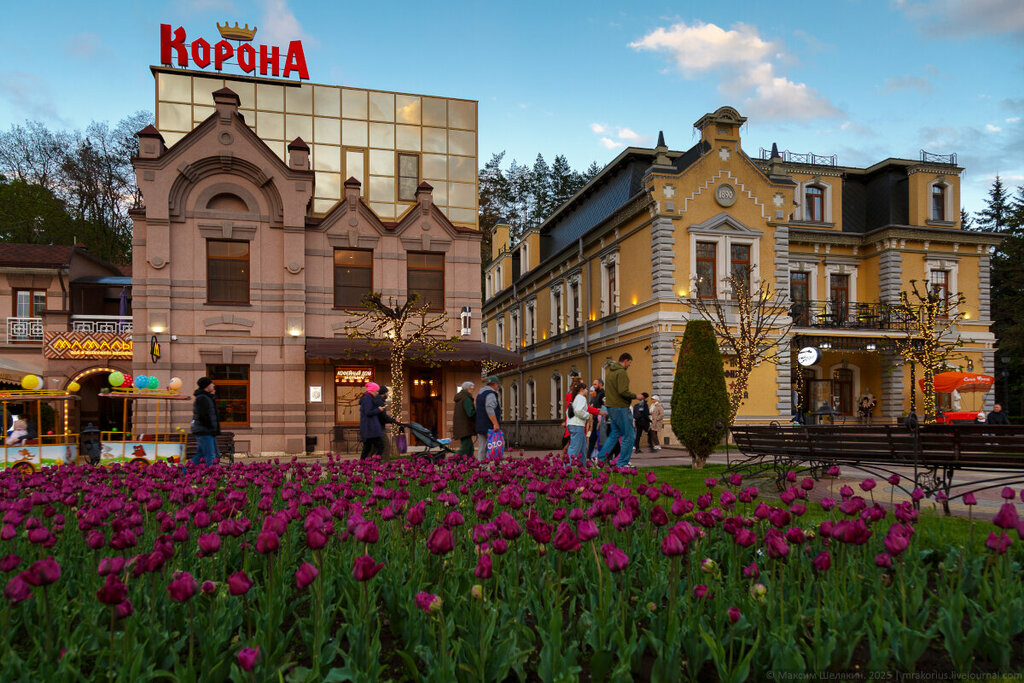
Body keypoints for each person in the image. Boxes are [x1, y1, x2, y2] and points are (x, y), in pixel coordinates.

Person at [598, 353, 637, 467]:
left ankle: (600, 459)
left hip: (611, 407)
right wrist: (636, 396)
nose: (629, 365)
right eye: (629, 363)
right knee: (629, 435)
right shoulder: (621, 372)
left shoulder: (610, 372)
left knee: (615, 434)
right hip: (621, 407)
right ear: (626, 361)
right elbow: (623, 391)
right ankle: (623, 462)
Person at [189, 376, 220, 471]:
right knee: (210, 456)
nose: (213, 385)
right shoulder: (202, 398)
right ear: (207, 386)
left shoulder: (206, 397)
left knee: (200, 455)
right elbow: (204, 416)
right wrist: (211, 428)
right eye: (211, 383)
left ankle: (183, 472)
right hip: (205, 431)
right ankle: (213, 475)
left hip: (206, 431)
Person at [475, 376, 502, 461]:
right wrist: (495, 423)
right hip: (490, 425)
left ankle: (481, 465)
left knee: (482, 447)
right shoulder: (491, 394)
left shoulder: (480, 394)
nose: (497, 387)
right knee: (498, 445)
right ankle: (497, 465)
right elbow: (489, 408)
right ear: (495, 384)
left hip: (481, 424)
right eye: (497, 385)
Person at [566, 381, 591, 465]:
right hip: (577, 425)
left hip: (573, 424)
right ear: (582, 389)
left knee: (583, 448)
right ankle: (567, 467)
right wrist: (587, 415)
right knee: (575, 448)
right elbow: (578, 410)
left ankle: (582, 467)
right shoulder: (581, 398)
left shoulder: (575, 398)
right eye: (586, 389)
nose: (587, 391)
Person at [359, 381, 384, 459]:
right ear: (372, 391)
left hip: (369, 428)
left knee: (367, 448)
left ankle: (363, 463)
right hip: (370, 428)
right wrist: (379, 410)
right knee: (380, 446)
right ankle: (375, 462)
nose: (377, 393)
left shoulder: (367, 398)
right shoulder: (367, 398)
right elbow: (368, 412)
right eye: (376, 391)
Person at [452, 381, 476, 455]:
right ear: (468, 389)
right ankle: (453, 458)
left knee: (470, 447)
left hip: (461, 426)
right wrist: (478, 411)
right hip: (465, 427)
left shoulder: (461, 397)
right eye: (472, 389)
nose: (473, 391)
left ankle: (470, 460)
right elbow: (470, 413)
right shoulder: (466, 399)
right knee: (465, 448)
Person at [587, 378, 606, 457]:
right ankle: (588, 456)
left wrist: (597, 411)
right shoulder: (596, 394)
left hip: (601, 421)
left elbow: (604, 407)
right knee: (592, 439)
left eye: (595, 384)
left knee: (600, 440)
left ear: (600, 385)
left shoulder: (603, 394)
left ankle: (603, 457)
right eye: (593, 384)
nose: (593, 386)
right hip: (595, 420)